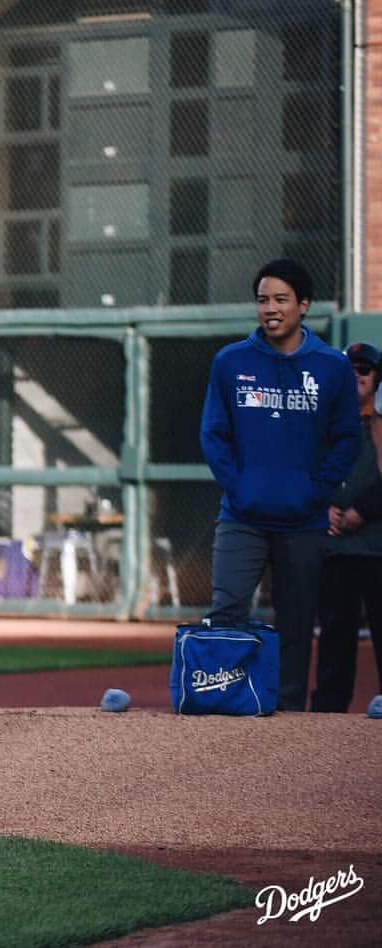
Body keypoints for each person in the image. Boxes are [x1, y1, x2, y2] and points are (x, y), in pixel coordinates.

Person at [200, 258, 360, 711]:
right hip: (242, 517)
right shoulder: (231, 361)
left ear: (303, 306)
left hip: (304, 521)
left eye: (281, 300)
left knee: (296, 624)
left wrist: (316, 491)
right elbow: (214, 433)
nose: (270, 308)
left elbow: (348, 437)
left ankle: (287, 720)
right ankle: (222, 705)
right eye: (263, 300)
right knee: (228, 612)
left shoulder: (332, 366)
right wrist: (240, 488)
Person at [311, 343, 382, 712]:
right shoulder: (323, 423)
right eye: (350, 368)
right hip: (336, 549)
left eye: (366, 370)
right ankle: (327, 721)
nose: (358, 375)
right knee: (335, 641)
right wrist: (323, 506)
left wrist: (362, 510)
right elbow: (304, 471)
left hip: (377, 548)